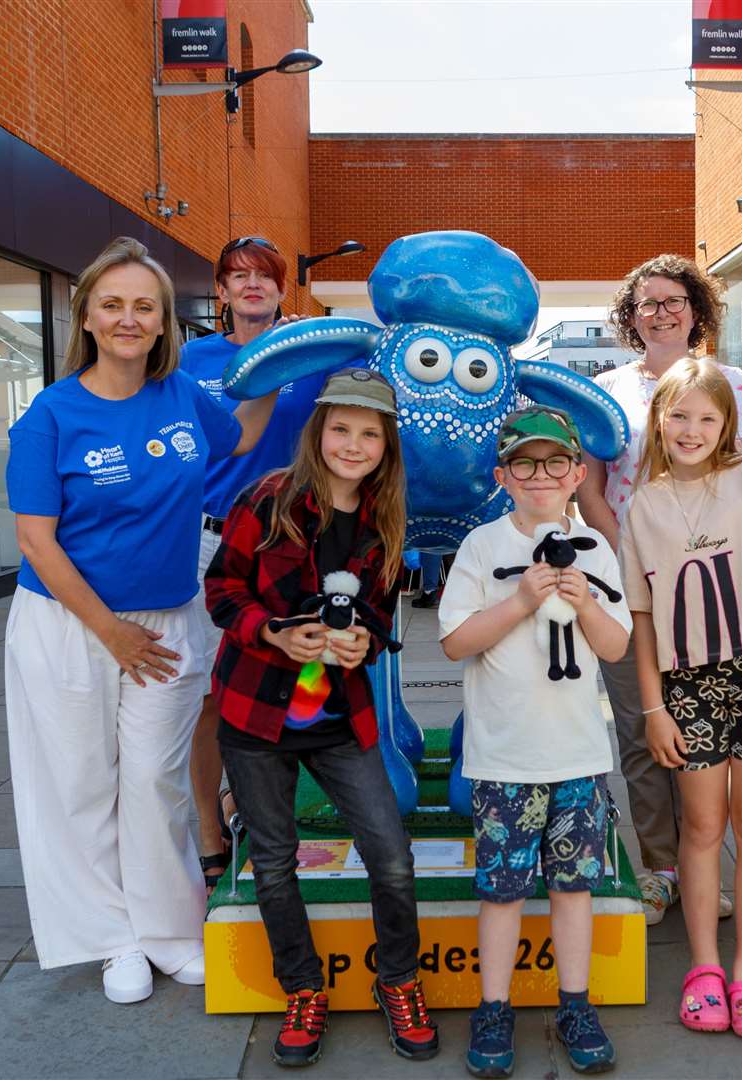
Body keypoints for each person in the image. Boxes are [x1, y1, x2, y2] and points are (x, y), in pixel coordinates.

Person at [3, 236, 277, 1005]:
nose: (128, 318)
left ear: (163, 324)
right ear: (87, 315)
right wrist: (109, 631)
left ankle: (166, 930)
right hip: (69, 624)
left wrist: (276, 358)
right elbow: (35, 540)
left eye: (144, 307)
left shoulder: (183, 394)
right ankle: (111, 939)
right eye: (114, 304)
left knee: (155, 778)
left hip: (167, 616)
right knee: (82, 782)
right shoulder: (51, 415)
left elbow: (246, 433)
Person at [204, 369, 438, 1068]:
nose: (353, 443)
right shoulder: (269, 498)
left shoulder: (387, 519)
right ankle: (303, 990)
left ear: (385, 446)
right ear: (319, 432)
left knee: (392, 858)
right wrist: (271, 632)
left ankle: (398, 980)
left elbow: (379, 614)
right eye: (341, 428)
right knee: (273, 863)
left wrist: (367, 638)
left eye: (369, 433)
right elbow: (220, 590)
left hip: (339, 718)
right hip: (254, 712)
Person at [621, 357, 742, 1037]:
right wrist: (652, 708)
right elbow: (642, 619)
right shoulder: (642, 505)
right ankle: (703, 967)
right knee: (701, 830)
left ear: (727, 426)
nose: (691, 429)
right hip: (685, 685)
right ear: (657, 419)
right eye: (678, 415)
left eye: (707, 418)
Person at [439, 407, 631, 1077]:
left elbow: (615, 646)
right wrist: (519, 602)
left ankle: (573, 1003)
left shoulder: (598, 550)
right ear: (502, 476)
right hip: (504, 759)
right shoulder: (483, 547)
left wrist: (583, 603)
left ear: (579, 474)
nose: (540, 476)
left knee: (574, 889)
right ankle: (493, 1008)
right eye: (524, 463)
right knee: (501, 890)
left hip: (576, 755)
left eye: (555, 464)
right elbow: (456, 641)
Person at [576, 254, 742, 925]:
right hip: (624, 583)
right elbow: (590, 486)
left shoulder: (734, 384)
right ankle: (659, 867)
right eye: (645, 302)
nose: (659, 311)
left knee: (700, 728)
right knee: (637, 727)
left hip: (705, 587)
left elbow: (741, 480)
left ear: (696, 309)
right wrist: (626, 550)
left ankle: (702, 865)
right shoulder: (604, 390)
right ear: (629, 317)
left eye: (672, 299)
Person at [180, 235, 328, 892]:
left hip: (297, 537)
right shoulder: (194, 358)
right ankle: (210, 831)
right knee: (212, 692)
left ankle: (260, 810)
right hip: (215, 538)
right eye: (236, 276)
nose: (250, 286)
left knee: (293, 682)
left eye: (262, 276)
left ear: (278, 288)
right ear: (220, 291)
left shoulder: (309, 355)